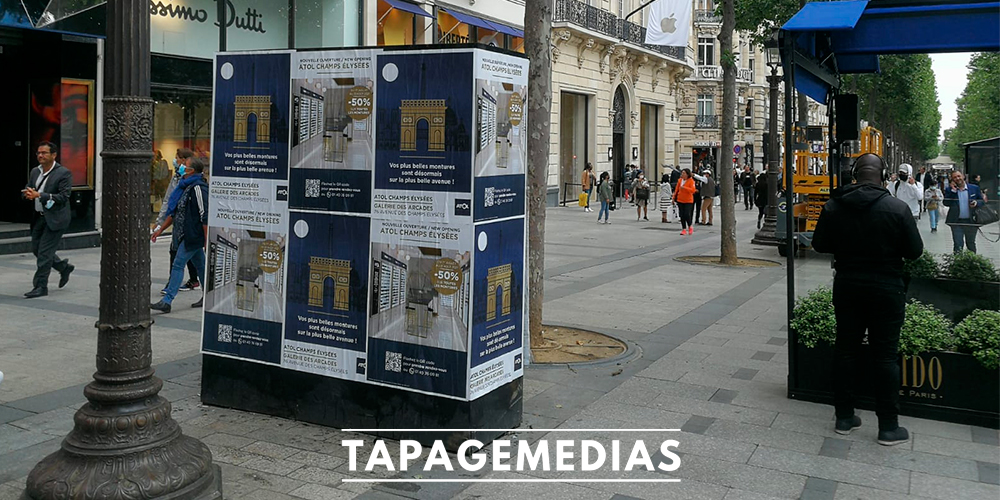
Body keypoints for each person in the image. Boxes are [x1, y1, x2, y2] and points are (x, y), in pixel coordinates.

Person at [811, 153, 923, 447]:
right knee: (885, 355)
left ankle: (845, 418)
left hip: (848, 285)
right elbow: (915, 252)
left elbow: (820, 244)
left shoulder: (834, 205)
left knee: (846, 350)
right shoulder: (897, 208)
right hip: (887, 288)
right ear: (884, 175)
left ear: (855, 175)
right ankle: (888, 426)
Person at [150, 158, 210, 313]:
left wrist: (206, 239)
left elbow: (205, 215)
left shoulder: (198, 188)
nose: (182, 167)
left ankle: (167, 300)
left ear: (191, 171)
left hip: (193, 235)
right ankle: (209, 297)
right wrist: (160, 229)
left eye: (186, 165)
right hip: (184, 234)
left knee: (178, 264)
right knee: (201, 266)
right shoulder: (185, 187)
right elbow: (175, 213)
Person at [21, 141, 74, 298]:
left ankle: (40, 286)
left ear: (54, 155)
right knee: (37, 249)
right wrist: (27, 193)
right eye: (38, 153)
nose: (40, 156)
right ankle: (63, 267)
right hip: (39, 217)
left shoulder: (63, 173)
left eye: (44, 153)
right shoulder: (35, 172)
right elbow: (29, 186)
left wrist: (40, 196)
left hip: (56, 218)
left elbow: (64, 197)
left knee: (44, 253)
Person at [155, 149, 201, 295]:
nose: (176, 161)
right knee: (195, 259)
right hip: (179, 225)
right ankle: (197, 285)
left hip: (189, 228)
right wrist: (160, 225)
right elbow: (170, 202)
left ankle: (169, 294)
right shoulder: (178, 179)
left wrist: (205, 236)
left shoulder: (196, 184)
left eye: (178, 159)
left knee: (178, 258)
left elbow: (202, 213)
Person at [943, 171, 985, 253]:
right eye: (954, 177)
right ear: (952, 179)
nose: (957, 178)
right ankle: (958, 264)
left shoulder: (974, 188)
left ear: (963, 176)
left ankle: (972, 263)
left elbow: (982, 201)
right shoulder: (950, 190)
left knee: (971, 244)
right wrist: (953, 191)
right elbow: (946, 203)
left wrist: (976, 203)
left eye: (959, 176)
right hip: (956, 222)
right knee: (958, 244)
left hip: (971, 221)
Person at [674, 169, 697, 235]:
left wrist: (685, 188)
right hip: (680, 199)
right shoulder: (680, 180)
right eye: (682, 173)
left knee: (687, 213)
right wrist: (674, 197)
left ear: (687, 174)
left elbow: (693, 190)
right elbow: (676, 189)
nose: (682, 174)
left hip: (688, 200)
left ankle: (690, 226)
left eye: (684, 173)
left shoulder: (691, 181)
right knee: (681, 215)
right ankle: (683, 228)